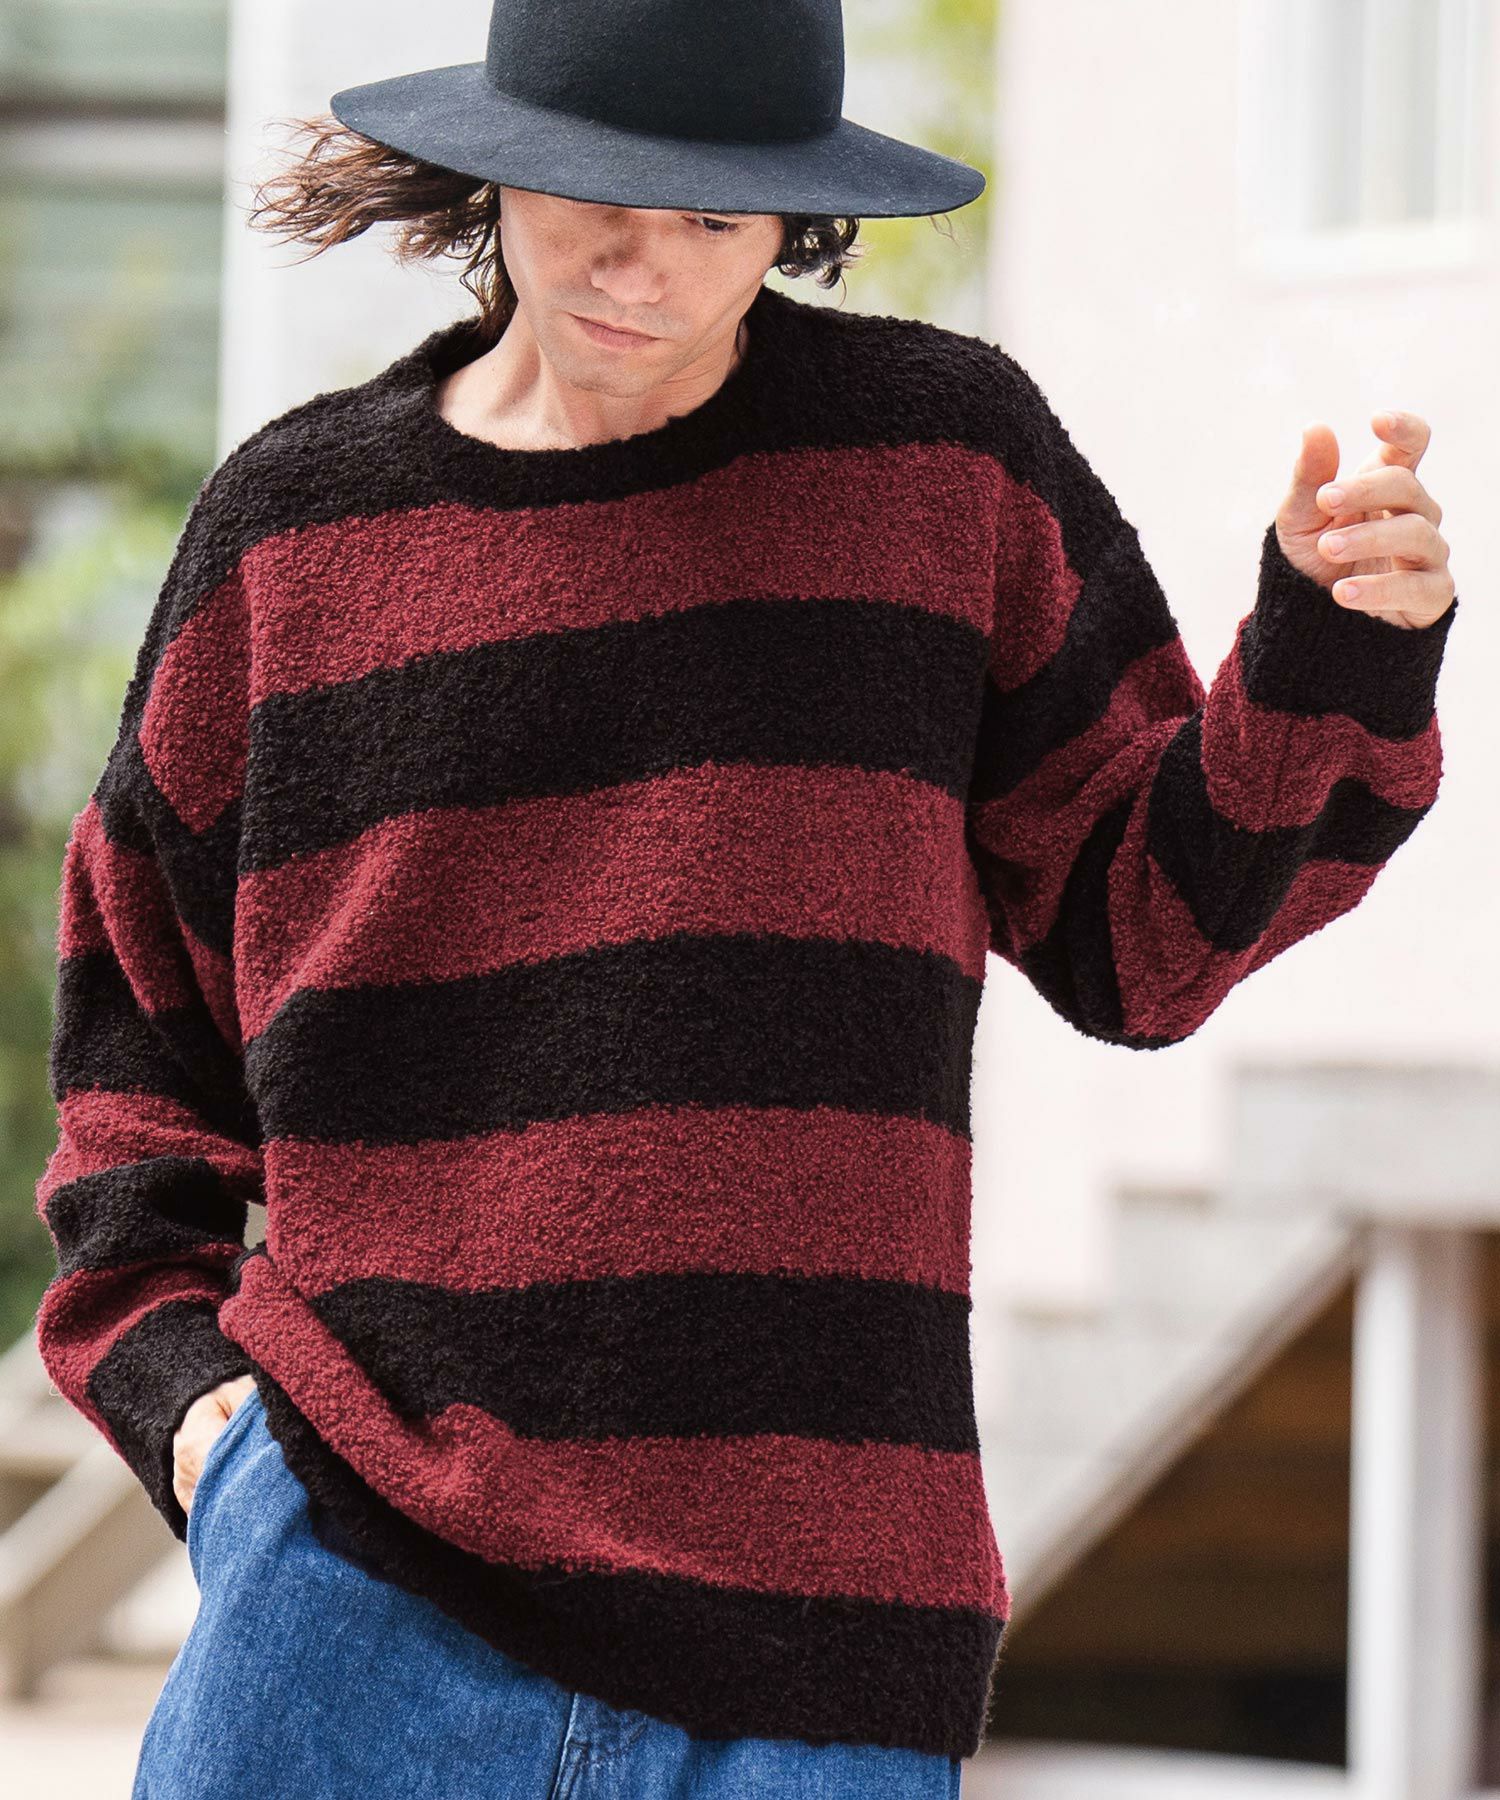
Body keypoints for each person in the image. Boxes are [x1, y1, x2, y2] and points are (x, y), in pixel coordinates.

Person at [31, 0, 1458, 1795]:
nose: (643, 269)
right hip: (349, 1610)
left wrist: (1335, 649)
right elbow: (134, 1043)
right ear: (497, 169)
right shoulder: (293, 533)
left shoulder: (943, 469)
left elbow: (1143, 943)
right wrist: (195, 1416)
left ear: (798, 211)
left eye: (712, 218)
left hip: (816, 1667)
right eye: (594, 202)